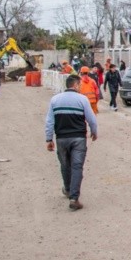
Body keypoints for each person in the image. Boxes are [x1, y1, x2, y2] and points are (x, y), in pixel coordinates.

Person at [45, 75, 98, 211]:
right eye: (79, 85)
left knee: (65, 165)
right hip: (78, 139)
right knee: (77, 167)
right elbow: (91, 118)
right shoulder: (82, 99)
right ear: (75, 85)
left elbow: (49, 121)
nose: (80, 87)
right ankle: (74, 198)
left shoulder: (55, 100)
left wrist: (49, 139)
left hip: (61, 138)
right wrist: (94, 131)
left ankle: (68, 189)